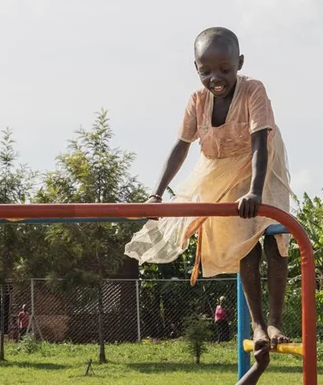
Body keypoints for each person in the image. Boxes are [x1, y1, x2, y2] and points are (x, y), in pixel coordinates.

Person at [125, 27, 292, 385]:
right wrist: (156, 194)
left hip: (262, 169)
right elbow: (181, 146)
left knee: (273, 237)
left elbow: (262, 143)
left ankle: (276, 320)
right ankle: (259, 326)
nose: (215, 78)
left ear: (239, 64)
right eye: (206, 70)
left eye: (224, 69)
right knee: (242, 245)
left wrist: (256, 193)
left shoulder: (253, 90)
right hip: (219, 171)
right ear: (196, 68)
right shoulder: (197, 100)